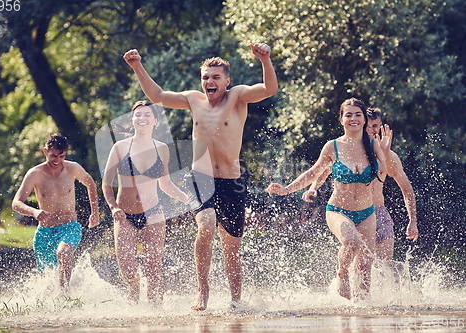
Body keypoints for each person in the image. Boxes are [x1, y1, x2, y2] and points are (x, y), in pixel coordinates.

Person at [123, 43, 278, 310]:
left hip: (232, 182)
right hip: (200, 177)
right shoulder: (193, 99)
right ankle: (202, 292)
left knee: (231, 249)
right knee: (206, 225)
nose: (209, 81)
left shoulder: (238, 96)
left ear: (227, 81)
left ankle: (236, 300)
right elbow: (158, 95)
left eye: (216, 77)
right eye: (205, 77)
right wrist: (138, 67)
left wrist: (265, 60)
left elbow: (269, 89)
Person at [267, 98, 386, 300]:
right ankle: (342, 274)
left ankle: (363, 316)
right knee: (351, 241)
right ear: (341, 119)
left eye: (358, 114)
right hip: (338, 210)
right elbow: (314, 172)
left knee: (366, 265)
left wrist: (384, 154)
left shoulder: (374, 145)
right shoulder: (332, 147)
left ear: (365, 119)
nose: (353, 118)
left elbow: (383, 175)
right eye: (348, 115)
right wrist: (287, 189)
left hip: (367, 212)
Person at [102, 100, 190, 306]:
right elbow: (106, 184)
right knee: (128, 268)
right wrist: (114, 207)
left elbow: (166, 184)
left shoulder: (162, 149)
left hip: (154, 213)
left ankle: (156, 313)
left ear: (155, 121)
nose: (142, 118)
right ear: (132, 120)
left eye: (147, 115)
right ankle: (134, 306)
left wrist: (188, 199)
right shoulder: (120, 147)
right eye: (137, 115)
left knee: (153, 267)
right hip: (124, 215)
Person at [302, 107, 419, 261]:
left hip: (379, 213)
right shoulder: (347, 150)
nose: (371, 130)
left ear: (381, 126)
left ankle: (383, 285)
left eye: (375, 126)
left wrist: (413, 221)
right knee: (359, 263)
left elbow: (406, 189)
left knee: (386, 265)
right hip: (354, 212)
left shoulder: (390, 156)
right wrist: (313, 188)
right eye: (368, 126)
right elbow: (324, 169)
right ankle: (343, 280)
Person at [12, 134, 100, 290]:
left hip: (70, 226)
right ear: (45, 151)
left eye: (61, 156)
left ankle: (64, 296)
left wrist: (95, 212)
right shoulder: (35, 174)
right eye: (53, 155)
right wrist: (34, 212)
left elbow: (90, 183)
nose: (57, 160)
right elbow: (16, 203)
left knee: (64, 254)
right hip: (45, 231)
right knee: (47, 280)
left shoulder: (73, 168)